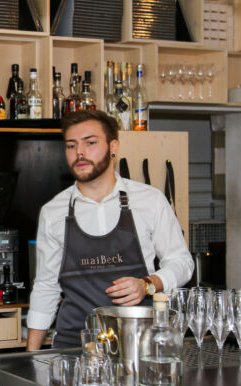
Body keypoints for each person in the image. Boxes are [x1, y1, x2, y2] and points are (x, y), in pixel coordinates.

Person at [26, 110, 193, 350]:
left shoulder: (150, 200)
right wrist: (31, 358)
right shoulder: (54, 212)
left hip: (139, 346)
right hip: (75, 347)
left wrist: (148, 283)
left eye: (90, 143)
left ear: (113, 147)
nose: (80, 153)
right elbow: (46, 287)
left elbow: (182, 262)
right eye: (71, 146)